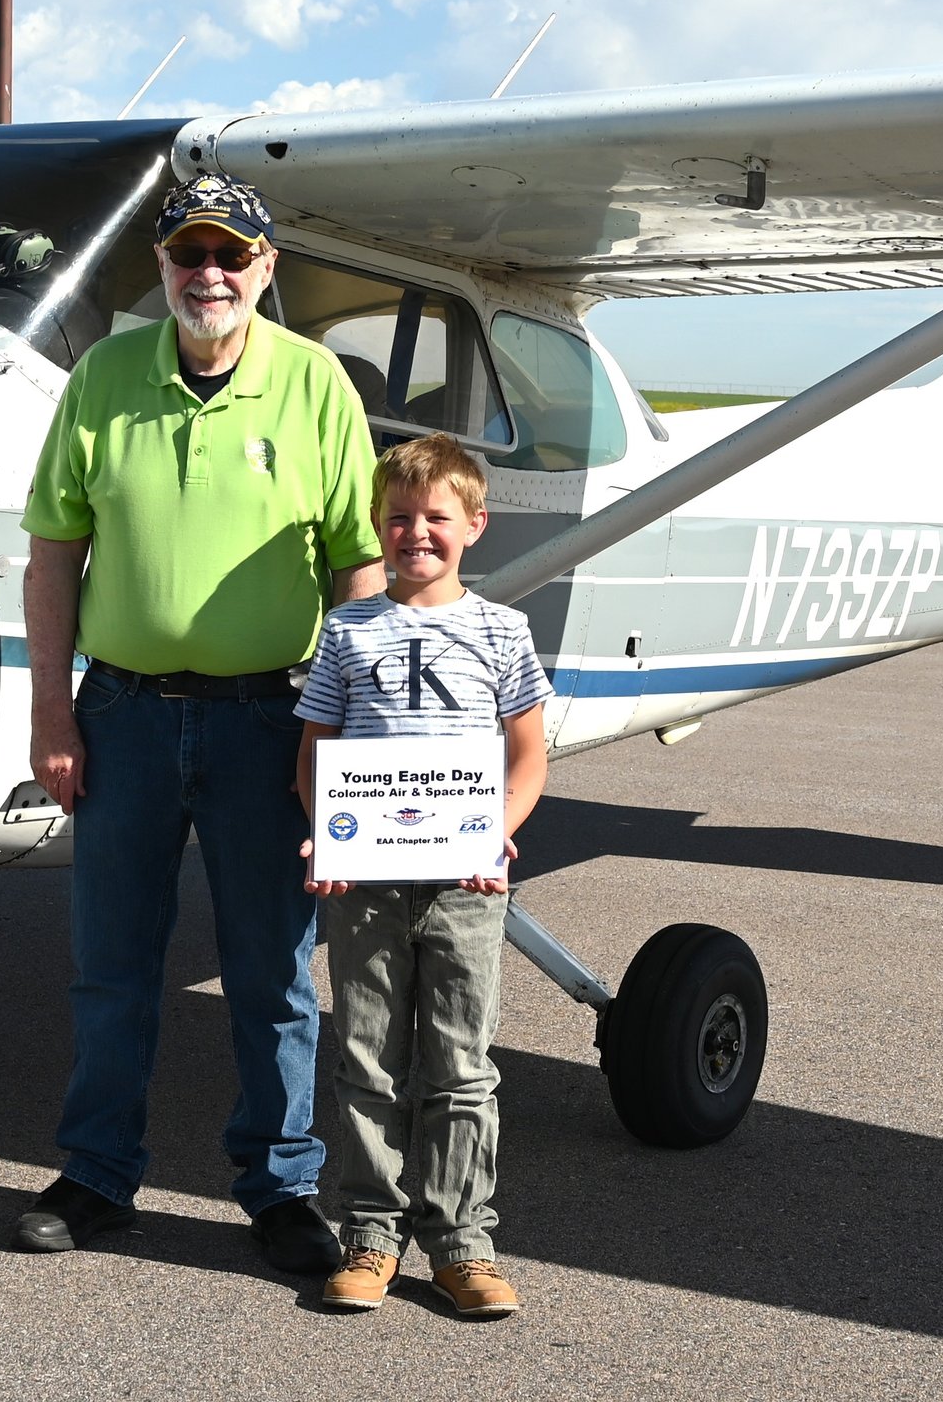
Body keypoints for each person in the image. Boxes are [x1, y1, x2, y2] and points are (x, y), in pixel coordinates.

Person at [13, 172, 386, 1274]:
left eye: (232, 254)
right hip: (120, 711)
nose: (209, 273)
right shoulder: (104, 379)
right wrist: (50, 708)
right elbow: (52, 555)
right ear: (163, 268)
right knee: (110, 961)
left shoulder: (316, 386)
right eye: (188, 254)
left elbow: (358, 571)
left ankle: (281, 1186)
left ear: (266, 268)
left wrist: (348, 748)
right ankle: (95, 1172)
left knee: (272, 968)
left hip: (271, 717)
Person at [295, 433, 552, 1319]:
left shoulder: (504, 630)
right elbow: (314, 757)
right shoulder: (347, 630)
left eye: (436, 518)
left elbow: (527, 759)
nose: (416, 534)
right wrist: (327, 839)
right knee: (367, 1057)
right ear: (378, 527)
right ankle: (369, 1234)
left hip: (465, 890)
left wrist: (494, 833)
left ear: (474, 525)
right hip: (363, 886)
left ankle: (461, 1244)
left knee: (460, 1064)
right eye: (398, 519)